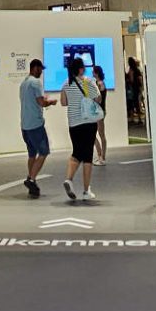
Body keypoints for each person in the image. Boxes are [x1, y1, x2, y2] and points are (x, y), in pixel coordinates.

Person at [60, 53, 103, 201]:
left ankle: (69, 179)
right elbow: (98, 98)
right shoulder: (88, 82)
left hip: (73, 123)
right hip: (88, 122)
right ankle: (86, 190)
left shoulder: (66, 83)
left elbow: (63, 102)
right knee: (87, 157)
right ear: (80, 69)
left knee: (77, 152)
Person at [18, 59, 55, 198]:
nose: (41, 72)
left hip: (25, 125)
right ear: (35, 68)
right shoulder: (36, 83)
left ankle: (31, 182)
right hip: (35, 124)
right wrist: (50, 102)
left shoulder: (23, 83)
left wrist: (43, 99)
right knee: (44, 152)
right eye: (40, 69)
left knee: (32, 154)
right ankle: (31, 179)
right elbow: (41, 103)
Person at [91, 62, 110, 166]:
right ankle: (100, 155)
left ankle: (102, 157)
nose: (92, 73)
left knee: (101, 134)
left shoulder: (100, 84)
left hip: (99, 111)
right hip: (97, 111)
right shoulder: (97, 83)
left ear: (96, 73)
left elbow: (99, 99)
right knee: (93, 133)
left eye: (93, 72)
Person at [125, 56, 145, 129]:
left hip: (133, 88)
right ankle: (139, 118)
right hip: (136, 88)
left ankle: (134, 118)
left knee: (133, 103)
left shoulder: (132, 70)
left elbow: (132, 79)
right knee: (136, 103)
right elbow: (139, 79)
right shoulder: (136, 70)